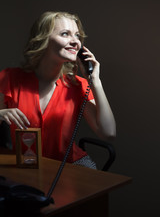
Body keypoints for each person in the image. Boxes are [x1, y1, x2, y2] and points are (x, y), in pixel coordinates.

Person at [0, 11, 116, 169]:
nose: (75, 42)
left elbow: (108, 133)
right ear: (43, 39)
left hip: (69, 164)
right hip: (25, 164)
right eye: (65, 34)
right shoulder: (10, 78)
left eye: (77, 36)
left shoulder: (78, 85)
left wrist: (95, 80)